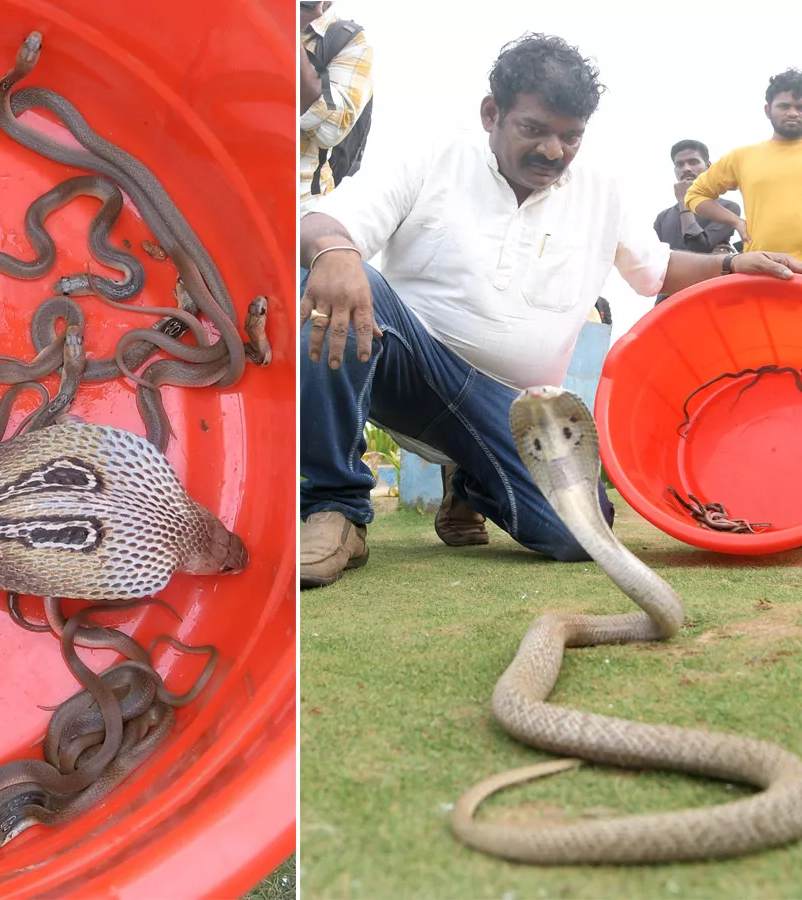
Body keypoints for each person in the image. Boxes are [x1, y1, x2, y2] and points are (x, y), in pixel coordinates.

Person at [298, 33, 802, 589]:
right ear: (492, 113)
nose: (553, 152)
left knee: (580, 536)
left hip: (511, 410)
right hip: (407, 365)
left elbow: (654, 270)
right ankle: (334, 508)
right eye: (533, 130)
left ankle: (470, 483)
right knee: (332, 273)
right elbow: (322, 223)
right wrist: (333, 250)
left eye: (571, 136)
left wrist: (733, 267)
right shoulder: (433, 153)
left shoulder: (601, 188)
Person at [684, 69, 802, 261]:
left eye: (800, 107)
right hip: (764, 270)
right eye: (784, 106)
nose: (793, 113)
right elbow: (695, 194)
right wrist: (735, 221)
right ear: (768, 110)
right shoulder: (742, 157)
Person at [299, 1, 374, 214]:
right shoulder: (247, 17)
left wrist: (289, 31)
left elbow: (331, 129)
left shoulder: (350, 41)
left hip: (298, 204)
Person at [652, 140, 741, 304]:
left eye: (693, 162)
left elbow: (697, 246)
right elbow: (656, 263)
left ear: (708, 166)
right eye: (680, 164)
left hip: (711, 295)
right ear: (675, 171)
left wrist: (684, 202)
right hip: (670, 301)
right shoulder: (662, 219)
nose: (686, 168)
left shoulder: (727, 208)